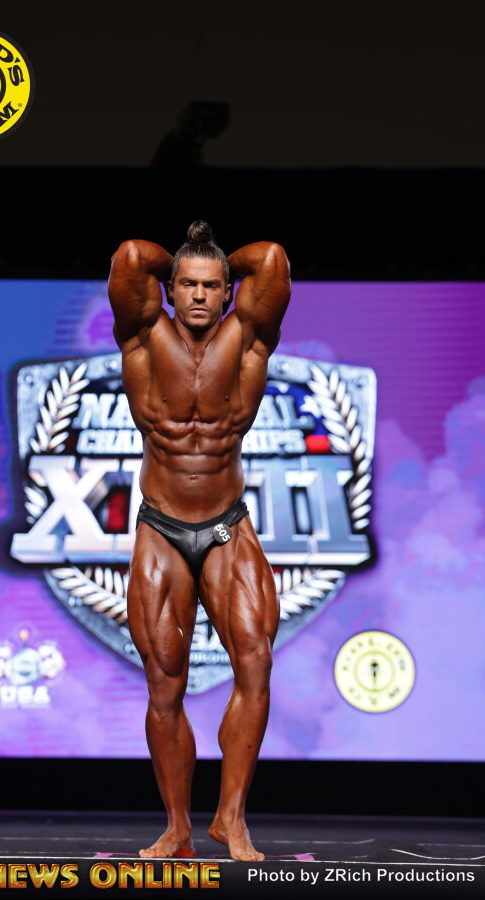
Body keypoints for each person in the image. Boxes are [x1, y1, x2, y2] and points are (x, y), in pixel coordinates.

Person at [108, 221, 291, 862]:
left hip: (224, 526)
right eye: (186, 283)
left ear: (228, 291)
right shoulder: (143, 334)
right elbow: (133, 255)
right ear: (170, 288)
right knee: (165, 684)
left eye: (212, 286)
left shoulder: (248, 337)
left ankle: (231, 819)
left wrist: (222, 262)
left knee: (256, 662)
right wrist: (181, 258)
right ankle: (177, 828)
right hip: (161, 528)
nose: (197, 295)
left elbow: (271, 258)